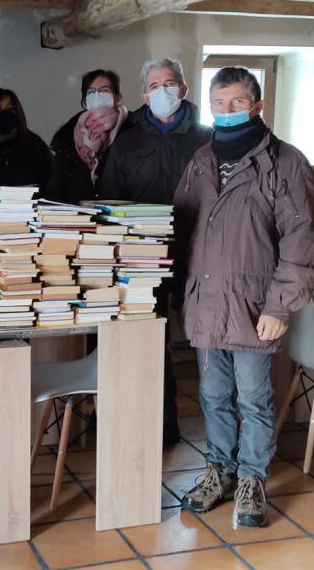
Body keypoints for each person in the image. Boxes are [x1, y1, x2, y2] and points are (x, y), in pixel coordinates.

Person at [173, 67, 314, 527]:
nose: (227, 111)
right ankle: (219, 470)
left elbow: (303, 239)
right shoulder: (200, 160)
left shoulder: (286, 163)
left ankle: (252, 479)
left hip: (254, 306)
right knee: (213, 396)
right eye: (219, 103)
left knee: (255, 399)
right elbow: (181, 226)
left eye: (237, 102)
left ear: (258, 106)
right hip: (205, 302)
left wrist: (280, 306)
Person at [99, 58, 212, 444]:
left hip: (201, 254)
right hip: (144, 258)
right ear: (143, 95)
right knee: (151, 343)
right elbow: (110, 202)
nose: (162, 90)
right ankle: (161, 429)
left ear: (182, 87)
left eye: (170, 82)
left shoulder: (207, 139)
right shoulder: (127, 143)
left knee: (210, 341)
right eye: (154, 85)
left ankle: (220, 435)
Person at [44, 69, 132, 204]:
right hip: (77, 220)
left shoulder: (132, 132)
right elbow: (55, 192)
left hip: (121, 218)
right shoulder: (66, 137)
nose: (97, 96)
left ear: (118, 98)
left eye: (104, 91)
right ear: (85, 101)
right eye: (91, 92)